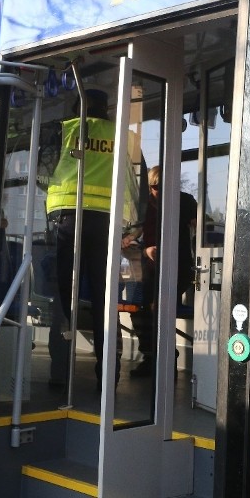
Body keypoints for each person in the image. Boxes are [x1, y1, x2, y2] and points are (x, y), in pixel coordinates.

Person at [43, 88, 142, 390]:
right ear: (107, 109)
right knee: (104, 301)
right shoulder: (121, 135)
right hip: (106, 223)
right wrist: (133, 227)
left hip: (68, 221)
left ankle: (60, 374)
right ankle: (108, 374)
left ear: (77, 106)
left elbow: (43, 171)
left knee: (64, 300)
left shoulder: (65, 129)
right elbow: (135, 177)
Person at [130, 165, 198, 378]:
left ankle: (166, 359)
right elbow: (135, 232)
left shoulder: (185, 201)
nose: (156, 191)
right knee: (140, 309)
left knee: (160, 308)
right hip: (150, 268)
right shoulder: (146, 206)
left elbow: (202, 226)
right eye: (152, 187)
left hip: (177, 266)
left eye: (160, 186)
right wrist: (142, 247)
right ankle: (151, 357)